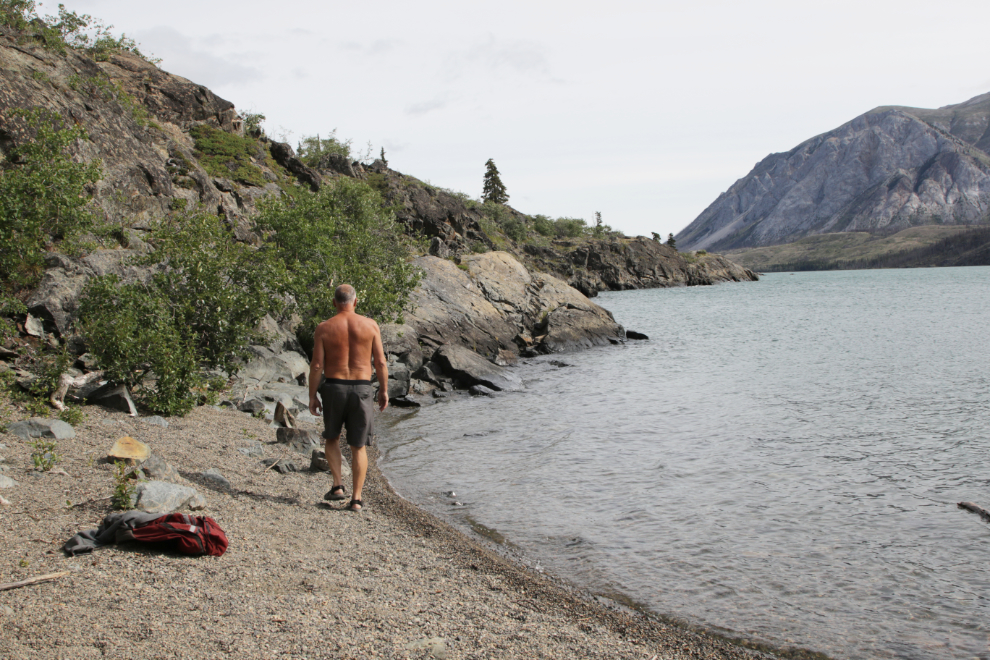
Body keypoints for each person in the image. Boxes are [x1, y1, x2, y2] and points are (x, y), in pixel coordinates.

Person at [308, 284, 389, 511]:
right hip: (362, 389)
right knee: (358, 445)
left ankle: (337, 486)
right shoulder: (371, 325)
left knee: (332, 438)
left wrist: (312, 395)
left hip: (334, 387)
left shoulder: (324, 328)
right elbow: (380, 362)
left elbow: (316, 366)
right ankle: (356, 499)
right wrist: (383, 390)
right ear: (355, 302)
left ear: (334, 302)